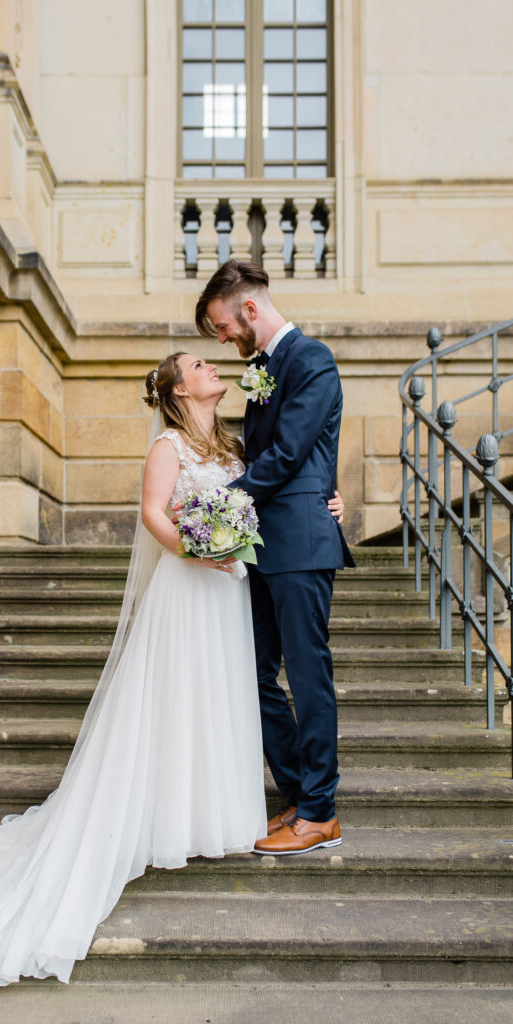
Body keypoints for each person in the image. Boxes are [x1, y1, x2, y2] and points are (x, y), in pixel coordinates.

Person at [0, 350, 343, 998]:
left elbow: (268, 491)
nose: (212, 367)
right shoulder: (166, 447)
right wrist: (196, 549)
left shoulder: (231, 446)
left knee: (221, 699)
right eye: (198, 365)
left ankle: (212, 812)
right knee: (177, 698)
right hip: (189, 589)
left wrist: (325, 501)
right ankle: (166, 814)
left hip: (229, 595)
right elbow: (154, 514)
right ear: (178, 390)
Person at [195, 260, 356, 856]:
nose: (222, 339)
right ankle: (298, 790)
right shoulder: (263, 368)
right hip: (264, 546)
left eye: (222, 326)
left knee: (308, 675)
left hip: (300, 544)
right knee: (254, 673)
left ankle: (320, 813)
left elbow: (288, 454)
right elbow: (278, 454)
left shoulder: (310, 359)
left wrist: (216, 510)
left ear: (250, 309)